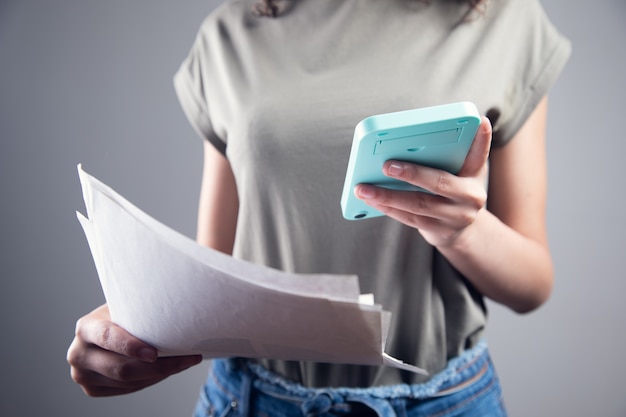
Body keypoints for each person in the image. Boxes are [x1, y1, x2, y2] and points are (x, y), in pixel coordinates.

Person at [67, 0, 571, 415]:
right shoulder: (231, 32)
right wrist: (129, 329)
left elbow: (532, 285)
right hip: (255, 400)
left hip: (444, 403)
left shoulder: (502, 19)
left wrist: (464, 232)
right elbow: (213, 269)